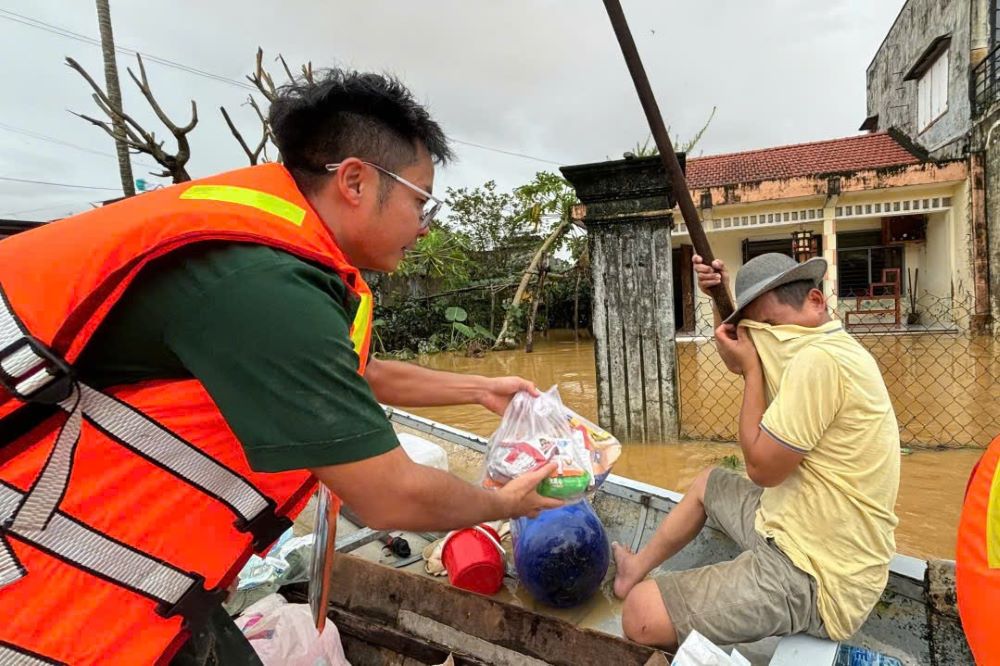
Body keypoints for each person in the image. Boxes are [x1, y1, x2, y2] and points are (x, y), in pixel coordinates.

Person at [0, 69, 560, 665]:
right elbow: (391, 499)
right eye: (420, 200)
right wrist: (506, 504)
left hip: (122, 542)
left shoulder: (270, 251)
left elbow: (341, 375)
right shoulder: (259, 283)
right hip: (41, 564)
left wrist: (478, 387)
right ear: (354, 181)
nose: (424, 225)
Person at [612, 252, 900, 651]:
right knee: (708, 483)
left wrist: (750, 373)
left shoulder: (820, 360)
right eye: (757, 329)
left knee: (639, 616)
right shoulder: (808, 342)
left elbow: (762, 470)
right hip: (788, 522)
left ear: (815, 301)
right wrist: (719, 298)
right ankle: (634, 569)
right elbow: (740, 354)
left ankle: (662, 594)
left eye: (770, 325)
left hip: (816, 574)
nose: (765, 338)